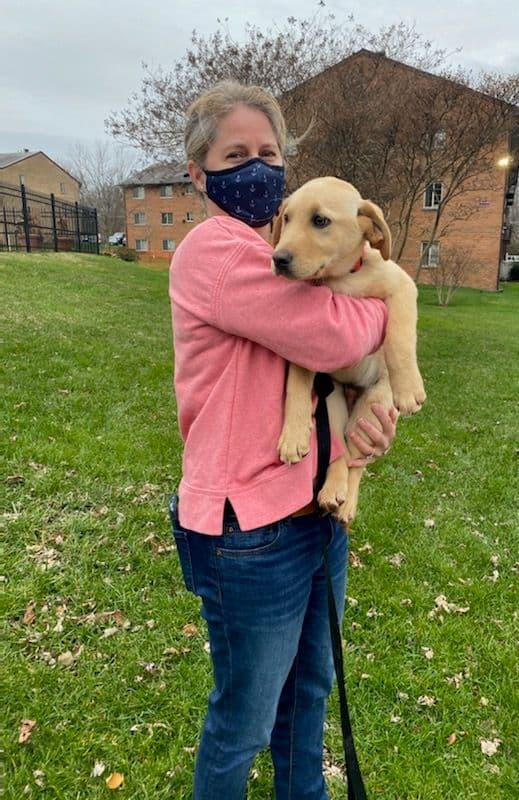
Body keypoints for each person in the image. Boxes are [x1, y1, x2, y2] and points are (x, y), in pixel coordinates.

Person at [168, 79, 398, 800]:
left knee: (306, 703)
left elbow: (345, 359)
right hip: (248, 533)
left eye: (270, 152)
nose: (258, 166)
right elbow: (337, 331)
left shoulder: (288, 245)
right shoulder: (219, 252)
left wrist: (372, 413)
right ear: (199, 174)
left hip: (313, 516)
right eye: (236, 153)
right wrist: (388, 305)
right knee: (244, 720)